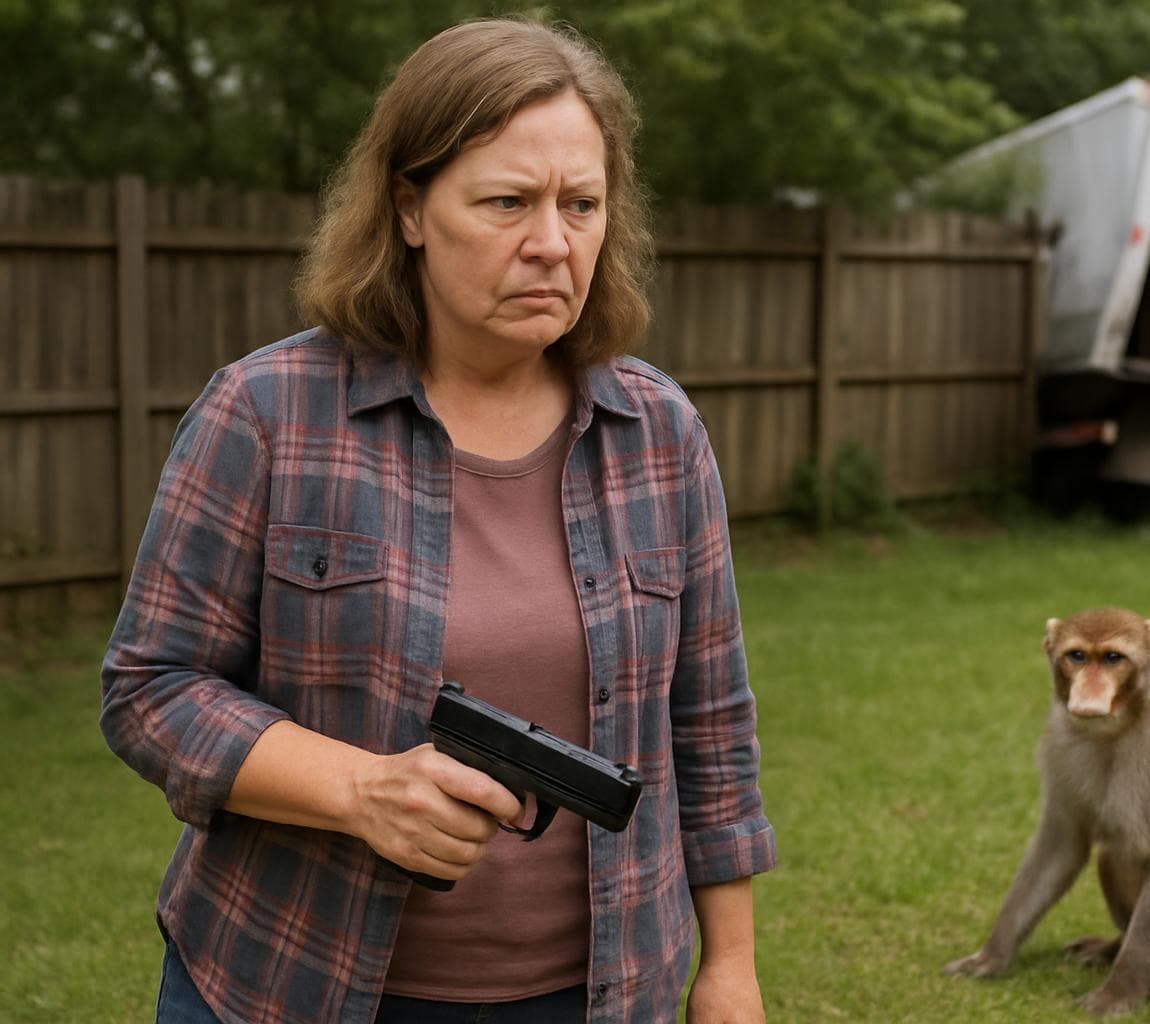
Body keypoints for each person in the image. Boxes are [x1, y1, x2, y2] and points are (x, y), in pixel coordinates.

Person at [100, 17, 775, 1024]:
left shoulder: (659, 431)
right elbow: (150, 689)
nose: (552, 242)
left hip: (597, 992)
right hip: (292, 983)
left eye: (581, 204)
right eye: (508, 201)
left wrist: (729, 965)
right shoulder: (268, 410)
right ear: (409, 207)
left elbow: (709, 721)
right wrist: (359, 790)